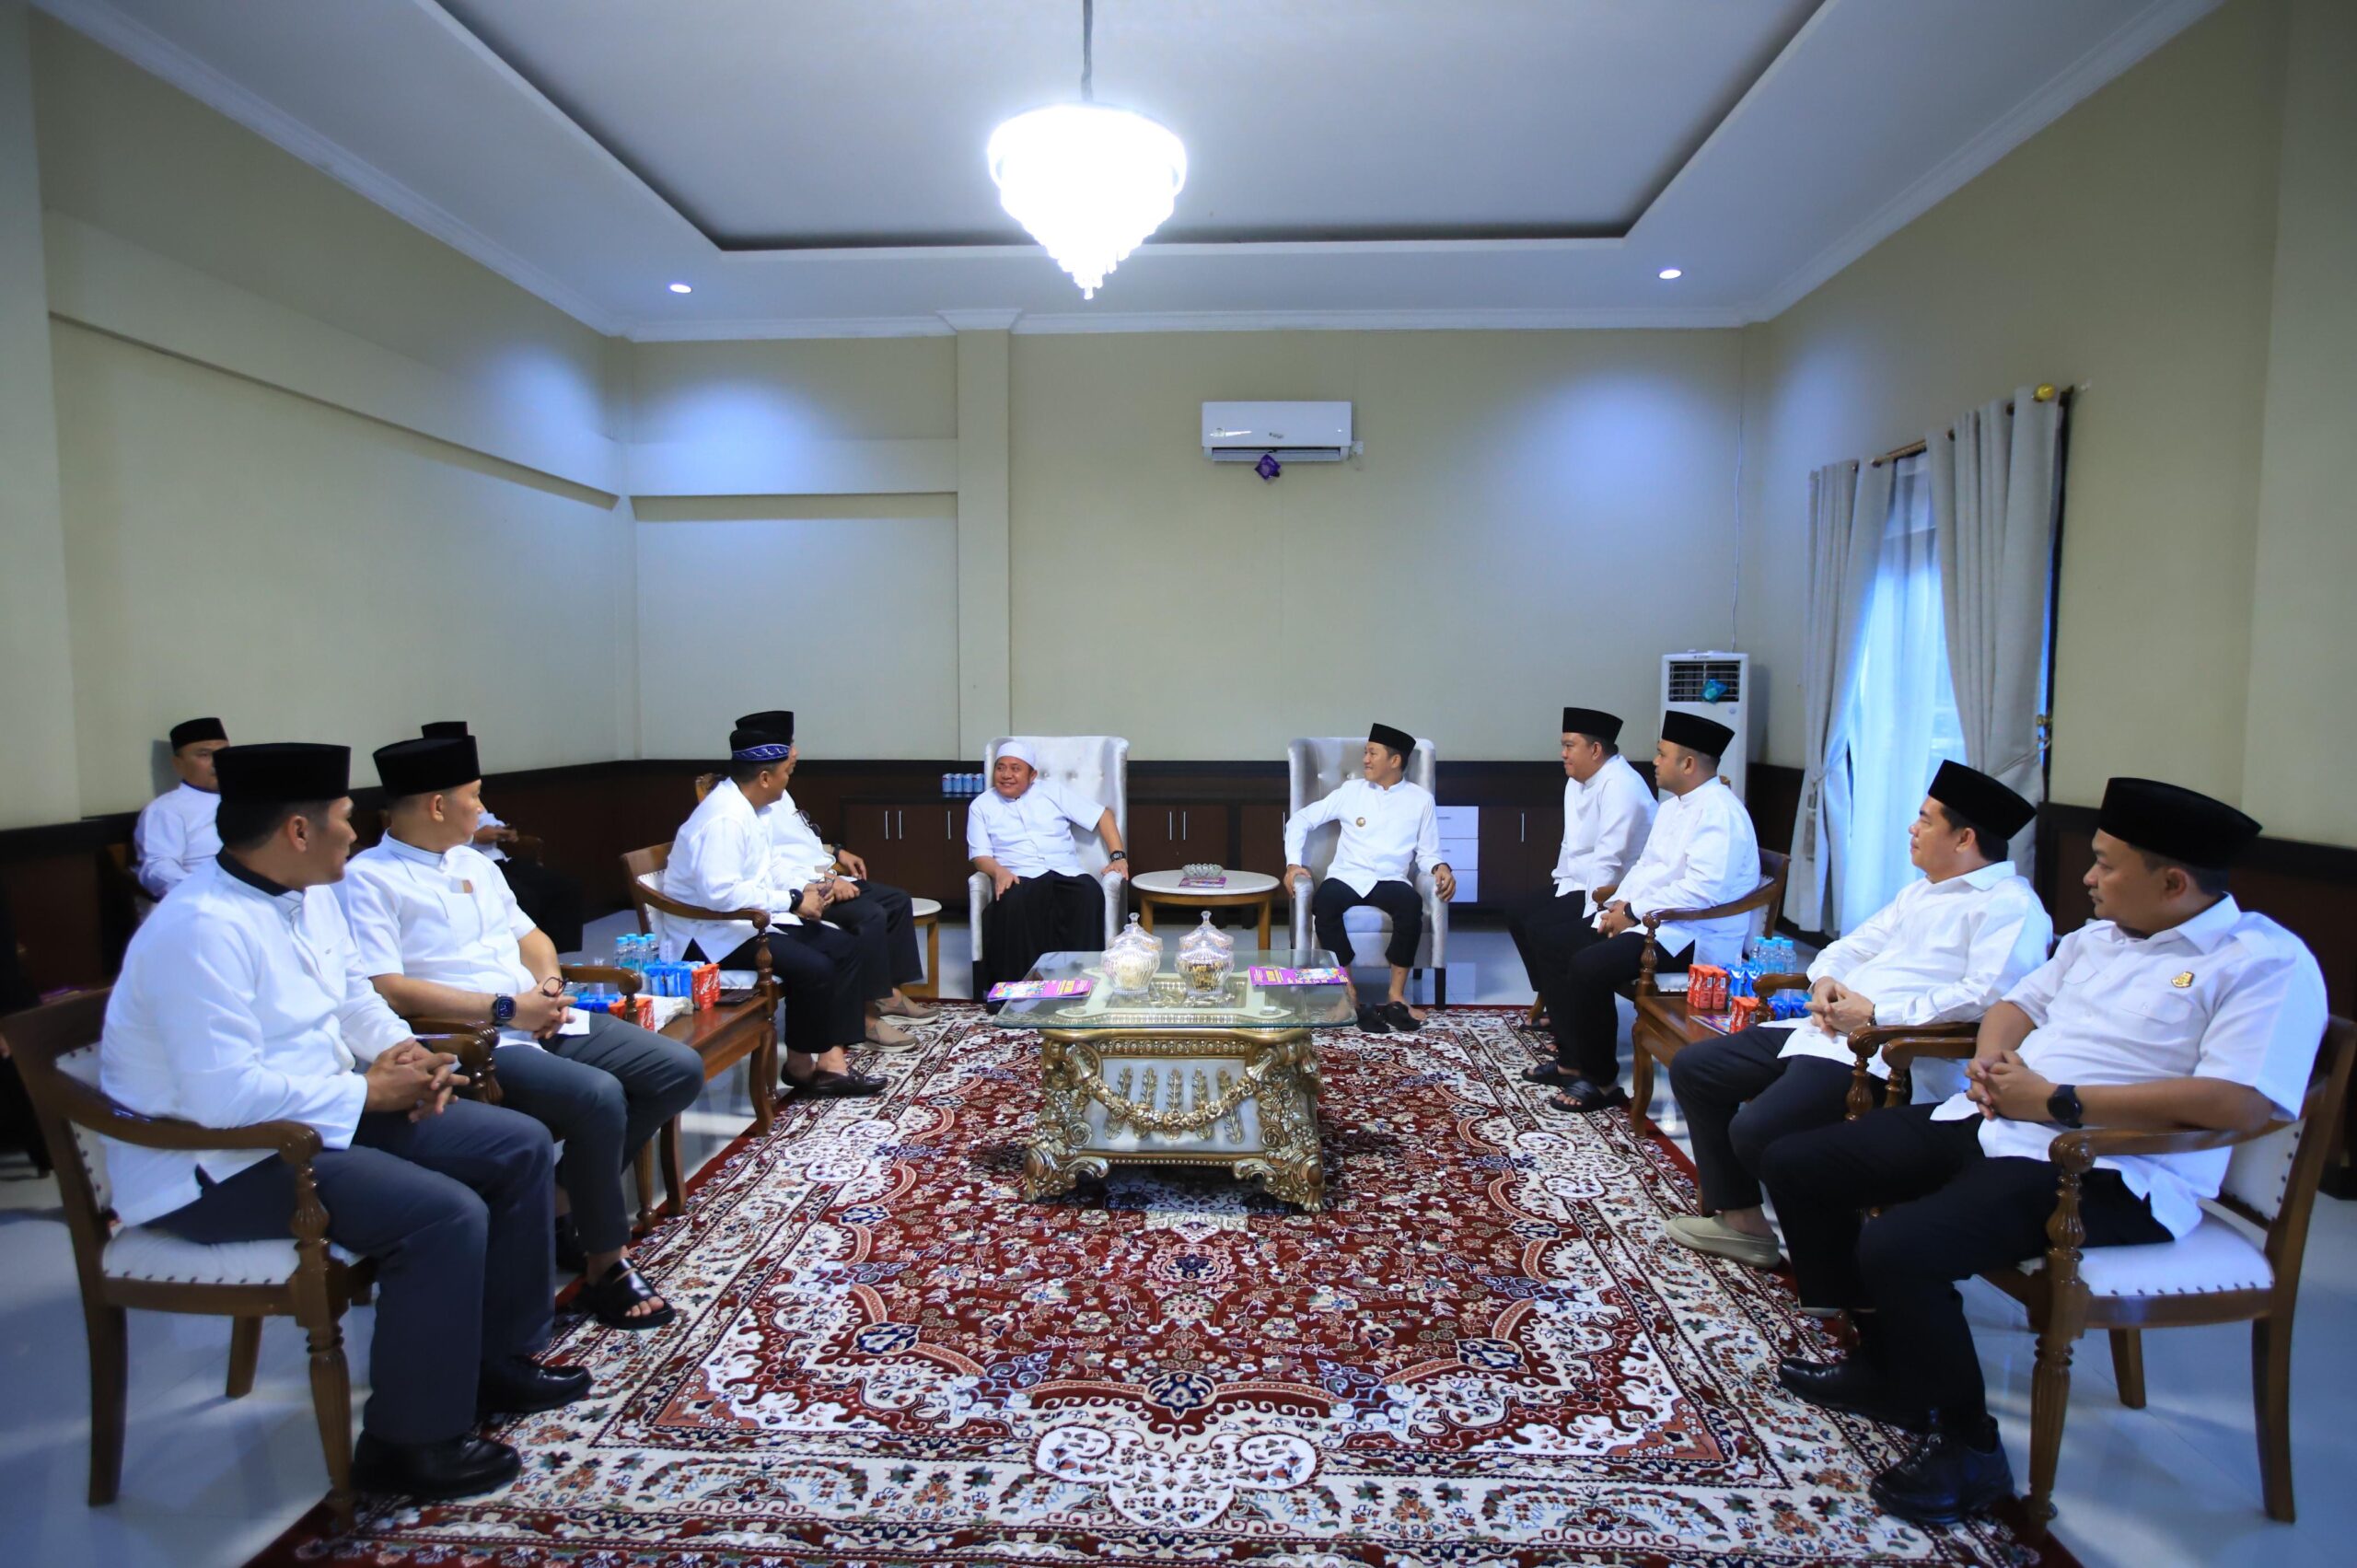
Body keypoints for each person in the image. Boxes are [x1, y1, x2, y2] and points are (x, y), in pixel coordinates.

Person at [1760, 777, 2325, 1527]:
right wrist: (1993, 1064)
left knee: (1901, 1243)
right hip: (1999, 1121)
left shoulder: (2262, 962)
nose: (2087, 877)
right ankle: (1889, 1362)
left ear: (2173, 882)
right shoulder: (2099, 937)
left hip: (2105, 1168)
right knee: (1798, 1162)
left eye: (2106, 864)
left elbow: (2241, 1102)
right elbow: (2013, 1004)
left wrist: (2058, 1101)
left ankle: (1970, 1444)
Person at [99, 742, 582, 1501]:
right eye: (344, 817)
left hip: (314, 1113)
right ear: (298, 829)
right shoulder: (198, 928)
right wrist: (366, 1093)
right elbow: (224, 1098)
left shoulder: (310, 891)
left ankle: (497, 1359)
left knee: (515, 1144)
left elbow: (354, 994)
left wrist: (404, 1054)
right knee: (442, 1213)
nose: (356, 833)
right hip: (218, 1162)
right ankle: (408, 1442)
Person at [341, 733, 704, 1330]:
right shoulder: (367, 879)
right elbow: (390, 988)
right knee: (598, 1096)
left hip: (535, 1014)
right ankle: (606, 1263)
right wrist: (509, 1009)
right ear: (438, 804)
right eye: (474, 796)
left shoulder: (473, 862)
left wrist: (550, 989)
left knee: (676, 1069)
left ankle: (559, 1201)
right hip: (472, 1040)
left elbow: (531, 936)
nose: (482, 810)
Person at [1663, 761, 2049, 1270]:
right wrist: (1825, 982)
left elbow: (1988, 995)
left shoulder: (2010, 906)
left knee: (1758, 1130)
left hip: (1884, 1053)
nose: (1912, 828)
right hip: (1829, 1029)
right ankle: (1742, 1222)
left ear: (1964, 838)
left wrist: (1878, 1013)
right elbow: (1853, 946)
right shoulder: (1922, 890)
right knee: (1697, 1068)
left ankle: (1839, 1270)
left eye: (1925, 820)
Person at [1534, 711, 1757, 1112]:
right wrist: (1618, 906)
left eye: (1662, 754)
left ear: (1688, 764)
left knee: (1589, 965)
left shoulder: (1720, 813)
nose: (1654, 761)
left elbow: (1702, 891)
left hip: (1692, 936)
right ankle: (1572, 1060)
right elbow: (1646, 867)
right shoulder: (1674, 807)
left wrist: (1634, 911)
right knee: (1555, 943)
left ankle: (1600, 1081)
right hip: (1653, 921)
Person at [664, 727, 879, 1098]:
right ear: (765, 777)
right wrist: (793, 901)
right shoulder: (724, 819)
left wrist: (809, 889)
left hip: (748, 922)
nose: (787, 781)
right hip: (709, 936)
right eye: (785, 773)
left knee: (844, 947)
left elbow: (770, 867)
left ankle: (827, 1062)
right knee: (814, 967)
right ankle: (805, 1067)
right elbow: (721, 894)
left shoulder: (752, 809)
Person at [737, 710, 935, 1046]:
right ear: (765, 768)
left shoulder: (776, 792)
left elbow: (799, 843)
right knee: (870, 915)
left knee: (897, 900)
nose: (796, 752)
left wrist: (837, 853)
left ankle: (888, 993)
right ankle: (867, 1017)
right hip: (798, 889)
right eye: (789, 746)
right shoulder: (751, 805)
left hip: (815, 875)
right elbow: (773, 864)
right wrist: (821, 882)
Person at [1282, 724, 1456, 1033]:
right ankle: (1348, 993)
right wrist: (1293, 864)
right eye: (1366, 752)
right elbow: (1301, 820)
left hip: (1391, 878)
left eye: (1372, 753)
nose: (1365, 759)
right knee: (1325, 903)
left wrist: (1440, 866)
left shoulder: (1420, 800)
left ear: (1395, 761)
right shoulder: (1351, 791)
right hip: (1348, 874)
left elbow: (1428, 853)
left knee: (1410, 906)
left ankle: (1396, 997)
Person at [1507, 706, 1655, 1040]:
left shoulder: (1621, 785)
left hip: (1610, 891)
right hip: (1575, 883)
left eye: (1569, 745)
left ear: (1596, 749)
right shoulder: (1577, 780)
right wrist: (1559, 882)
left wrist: (1593, 914)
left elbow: (1609, 857)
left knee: (1543, 929)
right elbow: (1569, 842)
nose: (1563, 753)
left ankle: (1566, 1015)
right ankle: (1553, 995)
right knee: (1517, 913)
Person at [967, 740, 1130, 994]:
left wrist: (1118, 856)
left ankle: (1081, 985)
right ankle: (1017, 991)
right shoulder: (981, 806)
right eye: (1000, 768)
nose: (1006, 775)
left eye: (1015, 768)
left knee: (1089, 894)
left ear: (1032, 775)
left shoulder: (1051, 792)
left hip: (1065, 871)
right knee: (1012, 903)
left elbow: (1103, 815)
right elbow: (980, 856)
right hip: (1018, 874)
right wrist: (999, 871)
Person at [420, 722, 586, 952]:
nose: (479, 806)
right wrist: (475, 838)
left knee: (565, 888)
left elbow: (486, 817)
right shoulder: (429, 801)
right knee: (524, 897)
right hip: (467, 867)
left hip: (497, 861)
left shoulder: (467, 792)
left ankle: (561, 959)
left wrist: (501, 831)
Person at [132, 716, 229, 900]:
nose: (218, 762)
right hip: (205, 899)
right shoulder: (167, 809)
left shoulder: (249, 799)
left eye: (224, 753)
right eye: (204, 754)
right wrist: (204, 891)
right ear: (179, 764)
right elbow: (158, 869)